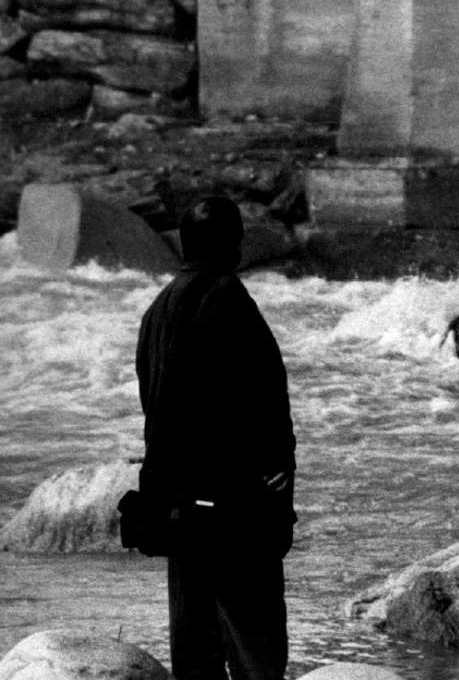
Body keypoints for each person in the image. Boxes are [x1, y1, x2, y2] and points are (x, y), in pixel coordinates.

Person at [136, 195, 296, 680]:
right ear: (233, 245)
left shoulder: (155, 312)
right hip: (234, 513)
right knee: (257, 654)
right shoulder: (228, 297)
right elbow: (262, 408)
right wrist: (278, 498)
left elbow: (155, 406)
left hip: (179, 511)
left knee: (195, 658)